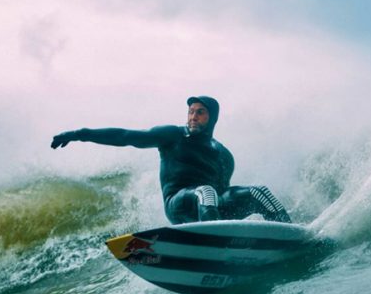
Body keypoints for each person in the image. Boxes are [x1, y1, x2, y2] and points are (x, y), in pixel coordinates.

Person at [50, 96, 292, 225]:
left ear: (212, 118)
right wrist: (80, 134)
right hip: (179, 204)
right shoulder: (172, 135)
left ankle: (292, 235)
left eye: (200, 112)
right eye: (191, 111)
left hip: (209, 207)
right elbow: (126, 137)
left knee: (258, 192)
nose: (193, 117)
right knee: (205, 191)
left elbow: (223, 193)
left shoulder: (223, 154)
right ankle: (213, 238)